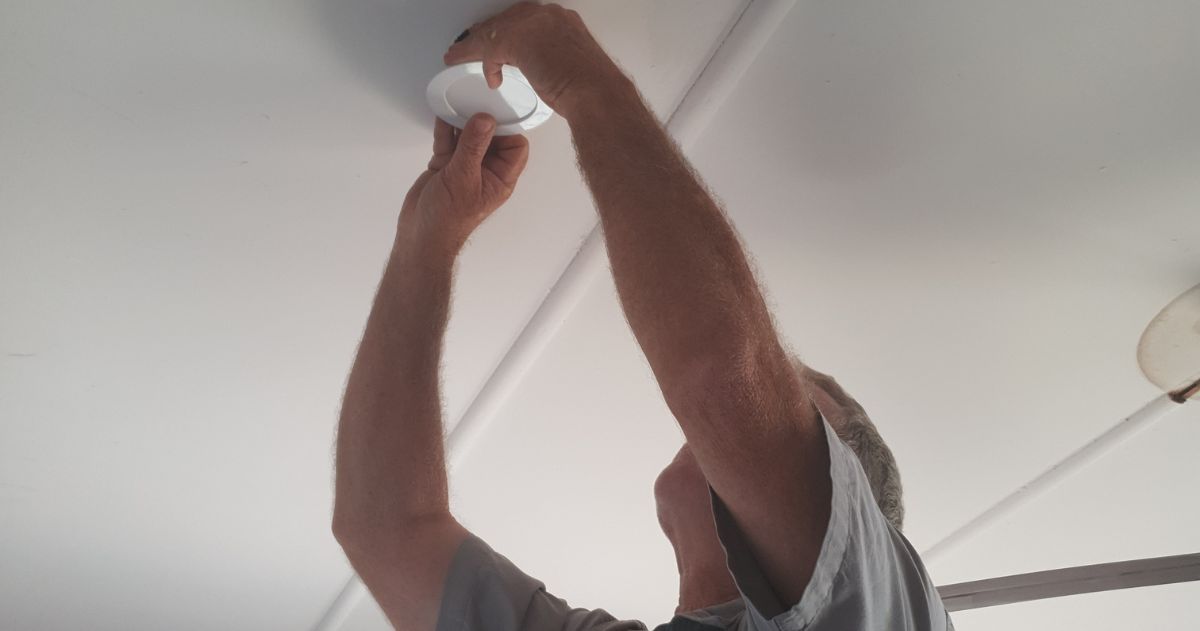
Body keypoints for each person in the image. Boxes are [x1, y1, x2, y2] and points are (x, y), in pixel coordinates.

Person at [331, 3, 953, 630]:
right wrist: (428, 246)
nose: (766, 410)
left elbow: (385, 532)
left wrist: (582, 81)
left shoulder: (878, 605)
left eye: (790, 403)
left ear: (861, 529)